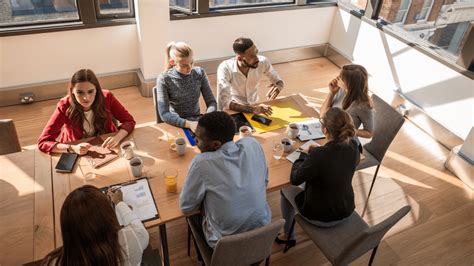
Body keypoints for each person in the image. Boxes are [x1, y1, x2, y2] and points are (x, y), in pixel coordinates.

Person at [179, 111, 271, 248]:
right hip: (262, 240)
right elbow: (265, 182)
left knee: (193, 216)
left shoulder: (202, 163)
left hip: (226, 248)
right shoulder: (253, 144)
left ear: (215, 144)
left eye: (197, 139)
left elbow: (186, 207)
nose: (196, 143)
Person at [275, 107, 360, 250]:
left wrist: (303, 156)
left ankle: (287, 236)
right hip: (346, 208)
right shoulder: (353, 145)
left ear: (325, 130)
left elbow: (295, 179)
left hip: (320, 216)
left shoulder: (319, 155)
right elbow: (346, 163)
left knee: (285, 190)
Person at [41, 185, 149, 265]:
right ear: (106, 216)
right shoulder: (131, 239)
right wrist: (119, 203)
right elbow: (137, 226)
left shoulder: (53, 262)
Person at [38, 69, 136, 155]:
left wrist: (117, 137)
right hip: (77, 149)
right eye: (80, 92)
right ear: (72, 91)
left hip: (106, 145)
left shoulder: (107, 97)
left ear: (97, 90)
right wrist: (72, 148)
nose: (86, 98)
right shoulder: (64, 105)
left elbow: (129, 121)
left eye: (90, 91)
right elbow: (43, 142)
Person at [156, 41, 217, 132]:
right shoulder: (164, 79)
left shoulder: (199, 73)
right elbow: (164, 114)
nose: (189, 68)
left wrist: (206, 118)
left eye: (191, 62)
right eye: (184, 65)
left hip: (197, 121)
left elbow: (212, 102)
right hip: (177, 123)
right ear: (172, 62)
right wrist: (188, 124)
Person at [217, 37, 284, 116]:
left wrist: (279, 85)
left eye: (256, 52)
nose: (257, 58)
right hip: (233, 109)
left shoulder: (263, 61)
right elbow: (225, 102)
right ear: (239, 58)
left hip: (254, 105)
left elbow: (277, 79)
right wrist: (253, 109)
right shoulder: (225, 68)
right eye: (252, 56)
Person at [319, 64, 374, 141]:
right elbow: (322, 115)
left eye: (341, 78)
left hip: (346, 143)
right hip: (329, 135)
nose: (337, 78)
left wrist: (350, 131)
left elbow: (369, 133)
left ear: (350, 84)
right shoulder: (340, 90)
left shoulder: (363, 105)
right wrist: (331, 93)